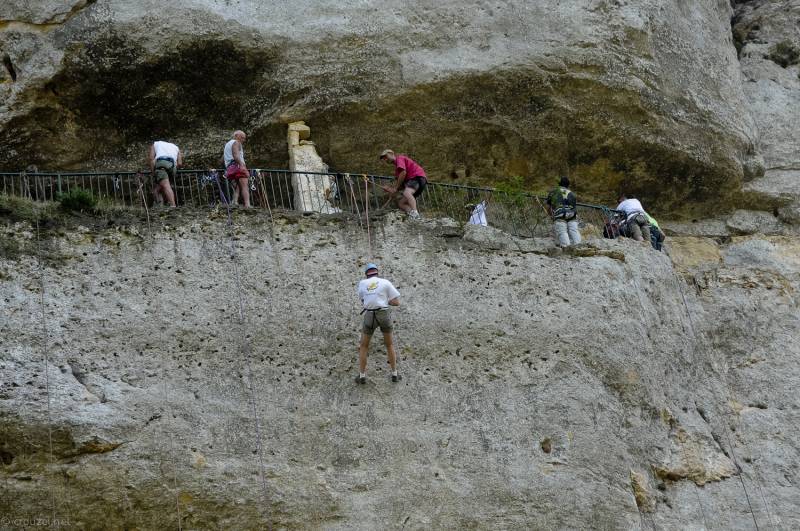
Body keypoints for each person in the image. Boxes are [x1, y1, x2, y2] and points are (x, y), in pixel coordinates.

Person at [356, 263, 401, 384]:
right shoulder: (385, 282)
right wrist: (384, 300)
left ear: (366, 274)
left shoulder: (362, 283)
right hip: (383, 314)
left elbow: (363, 300)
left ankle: (362, 375)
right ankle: (394, 374)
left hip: (370, 315)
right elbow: (396, 302)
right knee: (389, 344)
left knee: (364, 346)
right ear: (377, 272)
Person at [379, 149, 426, 219]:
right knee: (401, 203)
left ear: (391, 153)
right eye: (384, 159)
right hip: (417, 181)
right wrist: (390, 189)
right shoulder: (397, 171)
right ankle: (413, 216)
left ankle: (415, 213)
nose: (385, 159)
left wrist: (395, 188)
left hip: (417, 177)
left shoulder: (399, 158)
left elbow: (403, 173)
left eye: (386, 157)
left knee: (407, 193)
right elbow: (400, 185)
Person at [546, 177, 581, 247]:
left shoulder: (553, 192)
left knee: (562, 232)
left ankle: (567, 248)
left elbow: (549, 207)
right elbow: (574, 206)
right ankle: (579, 247)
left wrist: (551, 215)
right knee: (574, 231)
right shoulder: (572, 193)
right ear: (568, 185)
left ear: (559, 184)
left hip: (560, 213)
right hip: (572, 214)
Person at [148, 140, 181, 207]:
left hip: (161, 163)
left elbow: (151, 159)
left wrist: (153, 172)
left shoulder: (155, 144)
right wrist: (172, 167)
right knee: (159, 187)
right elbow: (180, 163)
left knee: (166, 185)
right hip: (173, 165)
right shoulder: (176, 147)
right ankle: (160, 204)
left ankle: (173, 206)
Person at [223, 130, 251, 208]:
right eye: (242, 137)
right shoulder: (236, 142)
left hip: (230, 168)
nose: (243, 140)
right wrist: (242, 166)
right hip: (238, 166)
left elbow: (223, 158)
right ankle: (247, 205)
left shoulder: (227, 144)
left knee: (237, 187)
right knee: (245, 186)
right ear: (236, 136)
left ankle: (234, 201)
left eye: (244, 138)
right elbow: (236, 155)